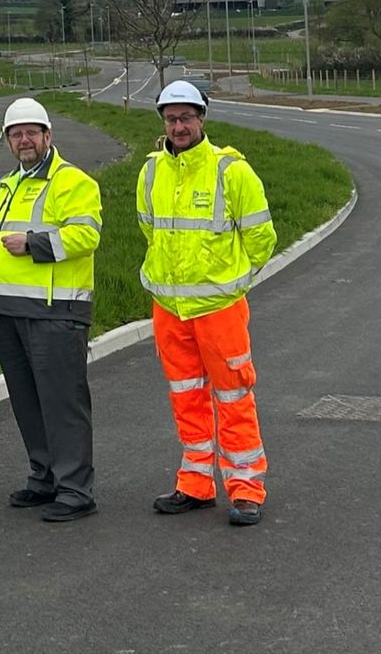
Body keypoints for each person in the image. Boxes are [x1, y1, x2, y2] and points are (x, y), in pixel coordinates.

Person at [139, 80, 276, 526]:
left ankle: (246, 489)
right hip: (169, 309)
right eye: (171, 118)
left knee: (234, 396)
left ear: (202, 118)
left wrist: (230, 282)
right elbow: (150, 230)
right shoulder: (152, 172)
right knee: (186, 398)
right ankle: (195, 484)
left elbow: (261, 239)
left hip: (219, 310)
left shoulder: (231, 171)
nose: (178, 126)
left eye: (186, 117)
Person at [0, 97, 103, 523]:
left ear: (48, 136)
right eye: (16, 134)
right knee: (27, 401)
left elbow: (86, 235)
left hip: (56, 312)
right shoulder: (2, 188)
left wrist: (34, 244)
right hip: (6, 311)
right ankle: (44, 475)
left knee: (62, 402)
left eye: (32, 132)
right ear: (8, 142)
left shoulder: (74, 182)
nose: (24, 140)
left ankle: (75, 488)